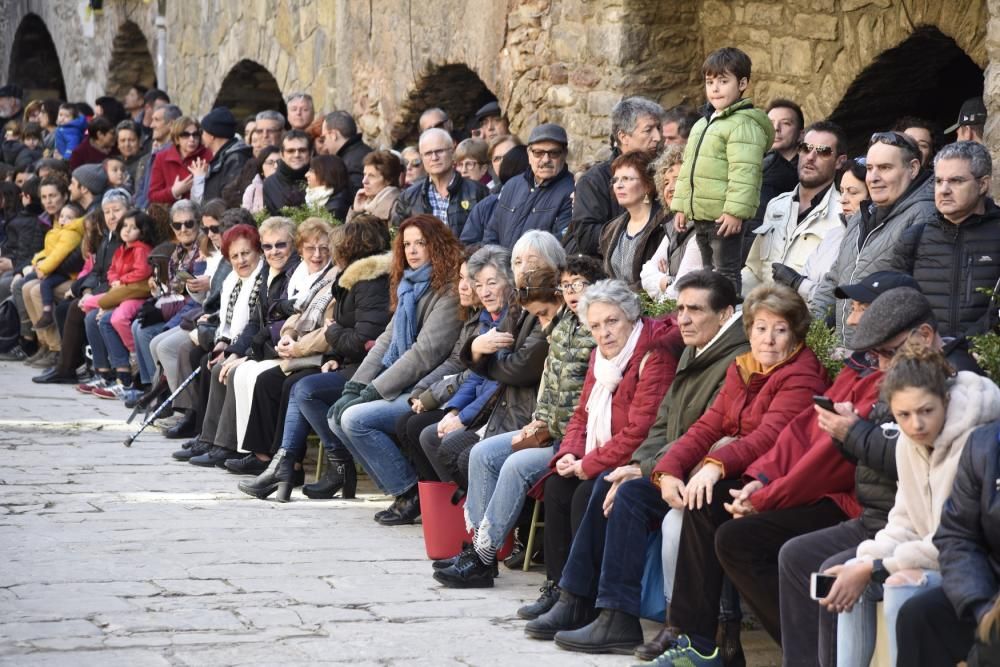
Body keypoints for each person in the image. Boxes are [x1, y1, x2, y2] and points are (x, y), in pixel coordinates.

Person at [544, 285, 826, 657]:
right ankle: (614, 615)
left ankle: (693, 636)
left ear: (796, 334)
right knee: (627, 493)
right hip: (723, 470)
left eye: (780, 329)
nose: (768, 339)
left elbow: (766, 439)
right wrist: (667, 470)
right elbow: (705, 427)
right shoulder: (743, 368)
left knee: (697, 504)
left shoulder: (801, 375)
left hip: (763, 479)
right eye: (760, 328)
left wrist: (711, 466)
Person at [524, 270, 741, 640]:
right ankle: (576, 597)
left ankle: (612, 612)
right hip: (664, 462)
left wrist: (638, 468)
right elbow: (650, 423)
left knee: (611, 490)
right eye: (680, 308)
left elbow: (690, 431)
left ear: (725, 314)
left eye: (695, 310)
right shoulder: (695, 348)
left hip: (700, 472)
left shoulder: (705, 356)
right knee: (578, 485)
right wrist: (575, 454)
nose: (684, 318)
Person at [824, 346, 1000, 667]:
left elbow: (955, 541)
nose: (916, 424)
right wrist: (864, 561)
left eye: (926, 411)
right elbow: (903, 522)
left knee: (897, 585)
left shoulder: (975, 441)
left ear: (945, 401)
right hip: (928, 555)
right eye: (904, 415)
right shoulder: (909, 442)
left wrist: (875, 568)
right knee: (849, 579)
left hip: (966, 568)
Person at [443, 257, 603, 603]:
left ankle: (483, 557)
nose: (573, 294)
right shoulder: (564, 327)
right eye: (568, 286)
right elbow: (551, 385)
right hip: (550, 430)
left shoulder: (601, 329)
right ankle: (481, 553)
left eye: (581, 286)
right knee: (483, 452)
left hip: (579, 440)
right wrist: (539, 417)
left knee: (516, 465)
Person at [238, 219, 393, 499]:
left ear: (351, 248)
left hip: (372, 368)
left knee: (304, 389)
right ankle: (286, 465)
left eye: (334, 247)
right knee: (300, 387)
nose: (330, 253)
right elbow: (350, 330)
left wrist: (333, 334)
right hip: (351, 362)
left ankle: (335, 464)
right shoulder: (354, 279)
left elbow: (363, 339)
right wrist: (334, 353)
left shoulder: (371, 283)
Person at [328, 215, 465, 521]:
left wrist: (373, 391)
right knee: (337, 417)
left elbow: (425, 353)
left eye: (421, 243)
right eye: (406, 245)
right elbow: (385, 341)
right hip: (404, 384)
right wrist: (356, 386)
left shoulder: (449, 290)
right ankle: (402, 489)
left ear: (437, 245)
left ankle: (411, 492)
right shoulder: (408, 286)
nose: (412, 251)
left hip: (431, 388)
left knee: (354, 419)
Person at [418, 244, 549, 492]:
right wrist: (455, 410)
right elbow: (475, 376)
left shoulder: (522, 315)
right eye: (479, 285)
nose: (484, 292)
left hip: (511, 412)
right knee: (427, 433)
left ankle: (488, 520)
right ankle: (468, 513)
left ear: (509, 281)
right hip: (490, 409)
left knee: (457, 448)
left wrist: (478, 357)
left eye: (491, 283)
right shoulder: (494, 318)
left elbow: (509, 374)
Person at [811, 131, 937, 347]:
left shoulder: (924, 215)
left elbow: (923, 296)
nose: (874, 177)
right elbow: (835, 277)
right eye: (870, 168)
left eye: (885, 168)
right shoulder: (861, 215)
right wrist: (810, 332)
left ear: (913, 168)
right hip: (847, 350)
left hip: (886, 352)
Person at [671, 47, 774, 293]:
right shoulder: (702, 124)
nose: (715, 88)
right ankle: (713, 318)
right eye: (710, 82)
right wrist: (682, 206)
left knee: (726, 272)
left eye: (723, 81)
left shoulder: (743, 124)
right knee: (708, 273)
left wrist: (735, 212)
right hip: (703, 214)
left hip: (724, 217)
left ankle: (728, 319)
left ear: (742, 83)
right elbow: (688, 170)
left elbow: (745, 172)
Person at [894, 426, 1000, 666]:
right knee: (920, 615)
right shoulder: (984, 445)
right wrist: (980, 607)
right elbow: (957, 536)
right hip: (990, 589)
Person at [892, 141, 1000, 338]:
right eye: (939, 181)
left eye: (956, 181)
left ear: (983, 184)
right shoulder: (914, 237)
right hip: (925, 356)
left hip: (987, 359)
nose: (944, 190)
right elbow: (897, 304)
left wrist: (965, 347)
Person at [744, 121, 847, 300]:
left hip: (807, 320)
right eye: (806, 148)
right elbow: (755, 271)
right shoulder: (776, 205)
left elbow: (837, 291)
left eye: (823, 151)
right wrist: (725, 288)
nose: (810, 157)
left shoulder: (844, 213)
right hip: (762, 314)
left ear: (839, 161)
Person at [565, 96, 664, 257]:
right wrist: (635, 231)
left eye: (658, 128)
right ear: (624, 136)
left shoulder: (663, 173)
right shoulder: (594, 180)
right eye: (648, 130)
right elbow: (587, 236)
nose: (657, 137)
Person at [84, 208, 159, 402]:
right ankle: (106, 371)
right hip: (121, 291)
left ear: (142, 232)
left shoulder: (141, 249)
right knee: (88, 309)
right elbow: (111, 271)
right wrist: (116, 280)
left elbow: (142, 271)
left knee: (117, 318)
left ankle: (133, 354)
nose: (127, 230)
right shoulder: (121, 249)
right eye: (125, 226)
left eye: (133, 227)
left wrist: (122, 281)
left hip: (135, 295)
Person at [482, 123, 575, 248]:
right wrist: (497, 264)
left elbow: (560, 245)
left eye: (554, 153)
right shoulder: (512, 185)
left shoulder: (572, 192)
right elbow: (492, 233)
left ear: (564, 154)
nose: (546, 159)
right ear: (529, 154)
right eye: (538, 153)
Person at [640, 145, 703, 303]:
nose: (670, 188)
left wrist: (663, 280)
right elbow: (645, 273)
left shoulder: (701, 231)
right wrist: (668, 280)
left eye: (678, 180)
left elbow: (679, 294)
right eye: (666, 182)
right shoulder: (673, 228)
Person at [598, 150, 666, 288]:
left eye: (627, 179)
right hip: (617, 305)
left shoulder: (665, 224)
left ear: (648, 185)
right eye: (615, 180)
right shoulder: (610, 230)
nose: (618, 185)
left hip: (654, 306)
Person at [459, 146, 530, 245]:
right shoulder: (486, 205)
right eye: (497, 158)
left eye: (506, 157)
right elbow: (467, 244)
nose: (502, 162)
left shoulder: (543, 201)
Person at [148, 116, 213, 204]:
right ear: (176, 139)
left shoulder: (207, 155)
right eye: (185, 135)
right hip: (170, 213)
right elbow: (153, 196)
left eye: (195, 134)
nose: (192, 139)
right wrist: (174, 192)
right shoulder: (162, 158)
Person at [192, 107, 251, 203]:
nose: (201, 136)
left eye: (202, 132)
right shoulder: (225, 158)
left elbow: (227, 199)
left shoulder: (235, 160)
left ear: (212, 136)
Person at [132, 104, 183, 210]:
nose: (151, 125)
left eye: (156, 120)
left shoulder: (176, 154)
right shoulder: (153, 154)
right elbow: (142, 191)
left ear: (171, 124)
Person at [321, 110, 372, 196]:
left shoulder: (350, 163)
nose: (324, 145)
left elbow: (355, 197)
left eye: (324, 137)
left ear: (333, 135)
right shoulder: (364, 151)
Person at [345, 150, 402, 225]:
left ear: (388, 179)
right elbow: (347, 235)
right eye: (364, 174)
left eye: (372, 176)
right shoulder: (368, 204)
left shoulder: (398, 207)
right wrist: (356, 212)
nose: (364, 181)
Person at [263, 129, 312, 214]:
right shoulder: (270, 183)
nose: (297, 155)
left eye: (302, 150)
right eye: (290, 151)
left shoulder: (321, 178)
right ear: (282, 154)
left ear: (311, 153)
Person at [304, 154, 350, 220]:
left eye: (311, 171)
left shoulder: (336, 208)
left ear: (326, 175)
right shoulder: (311, 198)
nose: (306, 175)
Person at [240, 146, 280, 214]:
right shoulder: (253, 190)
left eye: (279, 162)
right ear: (261, 168)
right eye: (270, 162)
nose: (276, 166)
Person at [115, 120, 146, 185]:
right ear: (118, 144)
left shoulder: (146, 163)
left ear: (140, 142)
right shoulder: (114, 162)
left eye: (131, 140)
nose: (127, 145)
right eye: (122, 141)